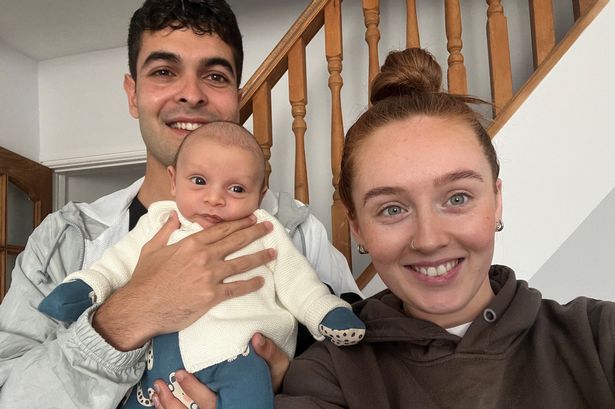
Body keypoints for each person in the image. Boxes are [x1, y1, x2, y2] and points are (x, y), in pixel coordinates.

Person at [0, 1, 361, 408]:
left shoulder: (295, 230)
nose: (191, 94)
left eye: (215, 75)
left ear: (237, 99)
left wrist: (286, 384)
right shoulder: (64, 240)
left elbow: (358, 373)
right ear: (133, 94)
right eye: (164, 72)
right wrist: (129, 314)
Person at [271, 48, 615, 408]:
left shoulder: (598, 337)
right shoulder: (326, 377)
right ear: (357, 228)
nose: (430, 239)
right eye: (391, 208)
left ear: (496, 200)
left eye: (457, 198)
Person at [39, 121, 365, 409]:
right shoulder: (161, 223)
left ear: (260, 193)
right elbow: (118, 263)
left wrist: (325, 311)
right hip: (160, 360)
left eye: (236, 188)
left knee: (252, 391)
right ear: (173, 180)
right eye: (198, 181)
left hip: (242, 354)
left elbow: (299, 282)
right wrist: (87, 285)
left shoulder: (264, 229)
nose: (214, 198)